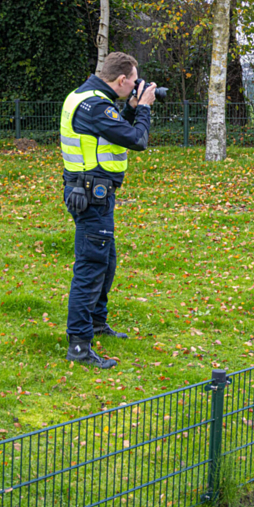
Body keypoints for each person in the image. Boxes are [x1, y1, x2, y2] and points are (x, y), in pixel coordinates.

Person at [61, 52, 156, 369]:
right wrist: (143, 109)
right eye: (135, 81)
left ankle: (97, 323)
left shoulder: (86, 98)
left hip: (89, 191)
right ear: (122, 80)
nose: (137, 85)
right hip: (92, 196)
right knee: (90, 267)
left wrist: (130, 109)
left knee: (106, 260)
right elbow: (137, 140)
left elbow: (111, 134)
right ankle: (79, 345)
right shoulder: (97, 106)